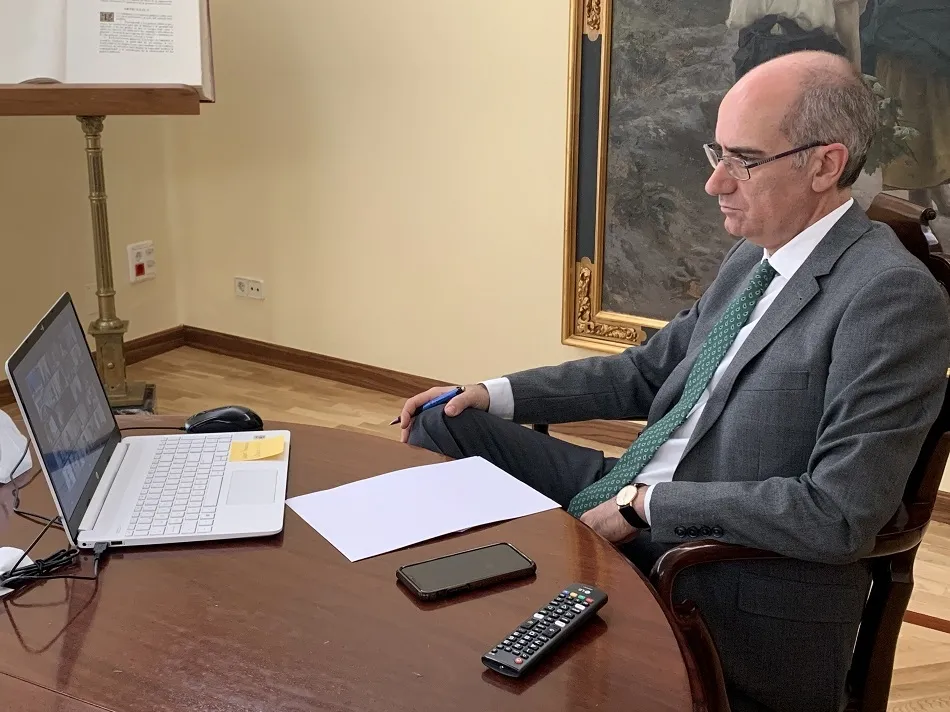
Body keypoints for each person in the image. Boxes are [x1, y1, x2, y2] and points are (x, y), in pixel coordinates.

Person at [400, 51, 950, 712]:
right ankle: (487, 611)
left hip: (717, 562)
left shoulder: (889, 298)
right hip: (638, 490)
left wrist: (648, 506)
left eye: (743, 160)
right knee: (445, 421)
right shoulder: (755, 255)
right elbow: (647, 370)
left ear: (825, 165)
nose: (715, 183)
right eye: (717, 153)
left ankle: (510, 613)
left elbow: (839, 514)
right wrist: (495, 393)